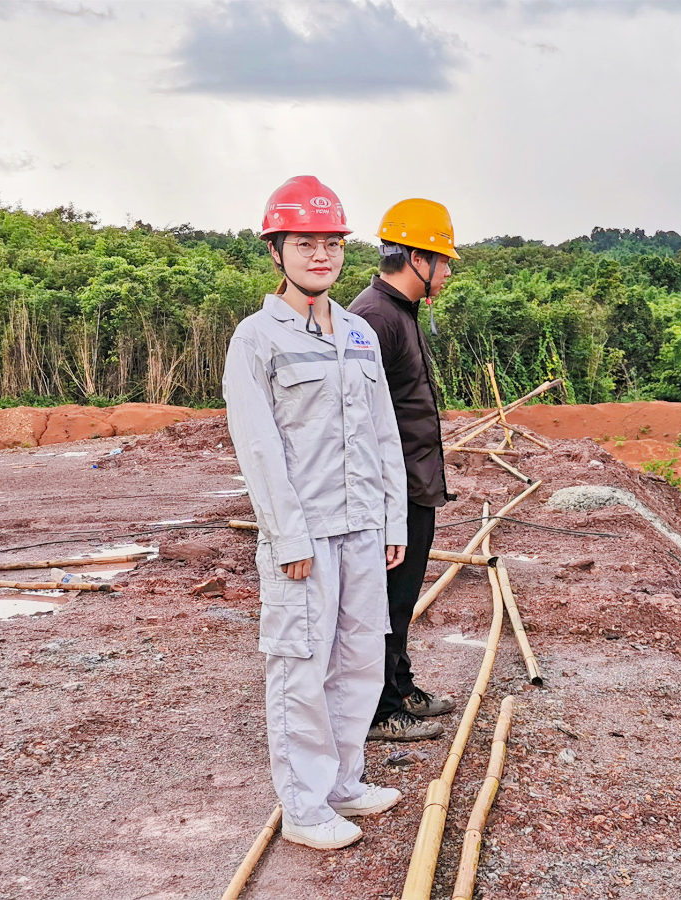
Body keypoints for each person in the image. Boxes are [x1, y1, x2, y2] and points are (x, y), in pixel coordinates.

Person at [223, 176, 410, 851]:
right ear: (276, 250)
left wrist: (392, 521)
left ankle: (343, 782)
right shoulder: (257, 338)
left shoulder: (359, 334)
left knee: (359, 658)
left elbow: (383, 432)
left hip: (362, 528)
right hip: (303, 535)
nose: (320, 255)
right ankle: (304, 806)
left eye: (330, 243)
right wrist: (285, 534)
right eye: (305, 243)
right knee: (299, 664)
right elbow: (258, 447)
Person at [349, 198, 460, 743]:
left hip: (415, 482)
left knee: (404, 595)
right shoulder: (373, 317)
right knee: (387, 600)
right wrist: (386, 499)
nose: (447, 272)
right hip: (393, 490)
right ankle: (380, 710)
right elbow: (359, 419)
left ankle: (400, 686)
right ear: (417, 257)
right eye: (444, 261)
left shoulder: (399, 312)